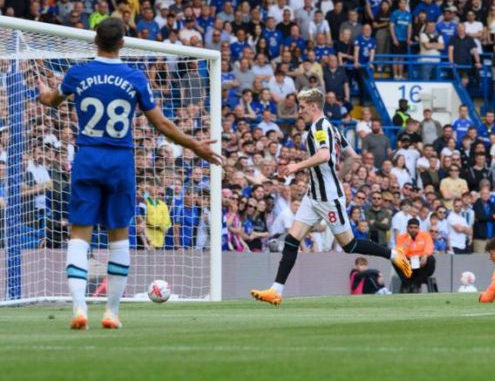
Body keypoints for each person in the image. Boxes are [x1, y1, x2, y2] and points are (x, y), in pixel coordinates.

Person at [37, 18, 222, 330]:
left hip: (87, 156)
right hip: (120, 161)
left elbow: (52, 101)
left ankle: (80, 309)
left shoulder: (78, 72)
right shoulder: (134, 77)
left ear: (95, 40)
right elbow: (161, 124)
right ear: (122, 43)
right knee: (119, 236)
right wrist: (195, 146)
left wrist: (43, 91)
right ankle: (111, 312)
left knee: (80, 234)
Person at [250, 88, 411, 306]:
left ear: (314, 106)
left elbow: (325, 155)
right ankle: (275, 291)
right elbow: (353, 157)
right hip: (313, 195)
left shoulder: (319, 128)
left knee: (350, 245)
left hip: (328, 199)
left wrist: (296, 166)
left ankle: (393, 254)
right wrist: (338, 176)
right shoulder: (331, 128)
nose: (300, 111)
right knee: (291, 240)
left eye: (303, 107)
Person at [395, 218, 436, 293]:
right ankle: (409, 283)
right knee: (395, 259)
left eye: (415, 228)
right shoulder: (401, 238)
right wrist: (408, 239)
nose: (413, 230)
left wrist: (425, 255)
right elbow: (400, 252)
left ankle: (416, 283)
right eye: (411, 227)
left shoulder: (425, 235)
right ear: (407, 228)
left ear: (419, 228)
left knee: (431, 259)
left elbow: (429, 246)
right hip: (408, 263)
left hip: (422, 263)